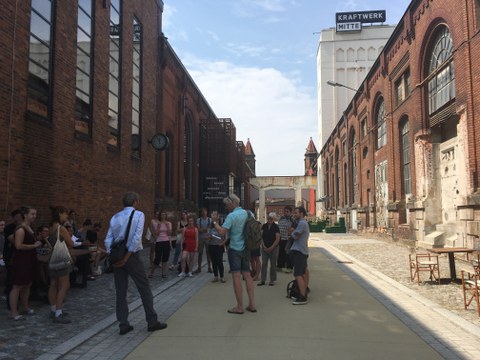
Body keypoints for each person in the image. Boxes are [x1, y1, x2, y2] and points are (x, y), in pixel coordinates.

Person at [104, 191, 167, 335]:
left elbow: (108, 239)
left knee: (121, 291)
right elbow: (137, 237)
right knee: (144, 287)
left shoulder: (115, 217)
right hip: (131, 256)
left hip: (117, 256)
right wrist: (127, 257)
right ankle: (152, 321)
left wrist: (112, 257)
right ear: (135, 202)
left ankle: (123, 324)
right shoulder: (138, 215)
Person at [211, 194, 256, 314]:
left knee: (236, 276)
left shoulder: (232, 216)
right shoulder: (249, 213)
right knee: (247, 275)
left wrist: (215, 221)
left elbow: (221, 232)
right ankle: (251, 304)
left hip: (235, 248)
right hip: (246, 248)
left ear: (232, 203)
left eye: (226, 205)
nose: (226, 207)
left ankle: (240, 306)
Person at [9, 206, 42, 320]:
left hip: (29, 259)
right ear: (26, 215)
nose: (34, 216)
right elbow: (18, 245)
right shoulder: (21, 229)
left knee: (27, 284)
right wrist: (34, 245)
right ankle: (14, 313)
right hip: (21, 260)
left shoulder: (29, 228)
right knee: (17, 286)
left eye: (35, 214)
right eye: (32, 214)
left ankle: (25, 307)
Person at [47, 206, 74, 323]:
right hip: (62, 259)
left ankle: (53, 309)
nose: (66, 216)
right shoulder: (61, 228)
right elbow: (71, 243)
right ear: (60, 214)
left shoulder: (51, 227)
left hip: (52, 258)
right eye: (65, 214)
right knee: (64, 286)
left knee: (53, 285)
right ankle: (59, 312)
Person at [289, 206, 310, 305]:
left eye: (296, 213)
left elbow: (295, 235)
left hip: (299, 251)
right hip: (302, 251)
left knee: (298, 274)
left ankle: (302, 296)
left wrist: (291, 233)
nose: (294, 214)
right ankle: (304, 290)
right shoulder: (302, 223)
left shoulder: (301, 223)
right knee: (304, 271)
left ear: (301, 213)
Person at [3, 209, 23, 310]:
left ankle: (17, 300)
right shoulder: (9, 228)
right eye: (19, 215)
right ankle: (10, 304)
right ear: (14, 217)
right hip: (10, 257)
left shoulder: (23, 227)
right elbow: (14, 241)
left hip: (20, 257)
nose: (20, 217)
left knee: (18, 280)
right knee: (11, 280)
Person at [258, 212, 280, 286]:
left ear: (273, 219)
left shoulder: (276, 227)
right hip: (265, 248)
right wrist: (263, 246)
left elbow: (277, 239)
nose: (269, 219)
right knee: (264, 264)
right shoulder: (264, 226)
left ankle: (272, 280)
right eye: (268, 218)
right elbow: (261, 236)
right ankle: (263, 280)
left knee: (273, 264)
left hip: (274, 248)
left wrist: (271, 248)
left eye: (271, 218)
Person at [149, 210, 172, 279]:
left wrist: (167, 227)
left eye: (164, 214)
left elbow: (169, 233)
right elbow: (156, 233)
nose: (163, 216)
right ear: (160, 216)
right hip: (159, 241)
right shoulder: (158, 223)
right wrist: (159, 227)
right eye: (162, 214)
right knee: (157, 258)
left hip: (166, 241)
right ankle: (151, 272)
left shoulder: (168, 223)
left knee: (165, 258)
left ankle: (163, 273)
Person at [208, 211, 227, 283]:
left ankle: (222, 276)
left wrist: (222, 243)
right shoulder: (210, 227)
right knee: (214, 262)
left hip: (219, 246)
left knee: (219, 261)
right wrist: (209, 237)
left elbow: (226, 237)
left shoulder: (222, 227)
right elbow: (207, 236)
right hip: (211, 245)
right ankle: (216, 276)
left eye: (215, 215)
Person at [277, 206, 294, 273]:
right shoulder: (281, 219)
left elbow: (294, 228)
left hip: (288, 239)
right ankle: (280, 266)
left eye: (287, 211)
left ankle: (289, 267)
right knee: (281, 253)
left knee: (288, 253)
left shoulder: (292, 220)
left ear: (290, 212)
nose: (285, 213)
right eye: (285, 211)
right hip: (281, 239)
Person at [196, 207, 212, 273]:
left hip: (208, 238)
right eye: (202, 211)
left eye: (204, 211)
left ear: (206, 212)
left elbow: (209, 228)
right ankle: (199, 267)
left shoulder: (210, 220)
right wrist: (205, 229)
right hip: (201, 238)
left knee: (209, 253)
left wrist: (202, 229)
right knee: (200, 253)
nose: (203, 213)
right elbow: (198, 230)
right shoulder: (198, 220)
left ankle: (209, 267)